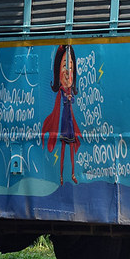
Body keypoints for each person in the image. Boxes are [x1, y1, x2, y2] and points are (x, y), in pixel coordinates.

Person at [42, 44, 81, 185]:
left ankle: (72, 174)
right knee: (64, 148)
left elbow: (71, 101)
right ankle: (61, 176)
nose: (67, 72)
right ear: (58, 70)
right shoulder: (62, 92)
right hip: (63, 123)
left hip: (69, 123)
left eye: (70, 67)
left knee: (69, 148)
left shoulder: (69, 92)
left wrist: (71, 99)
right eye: (64, 66)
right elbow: (60, 105)